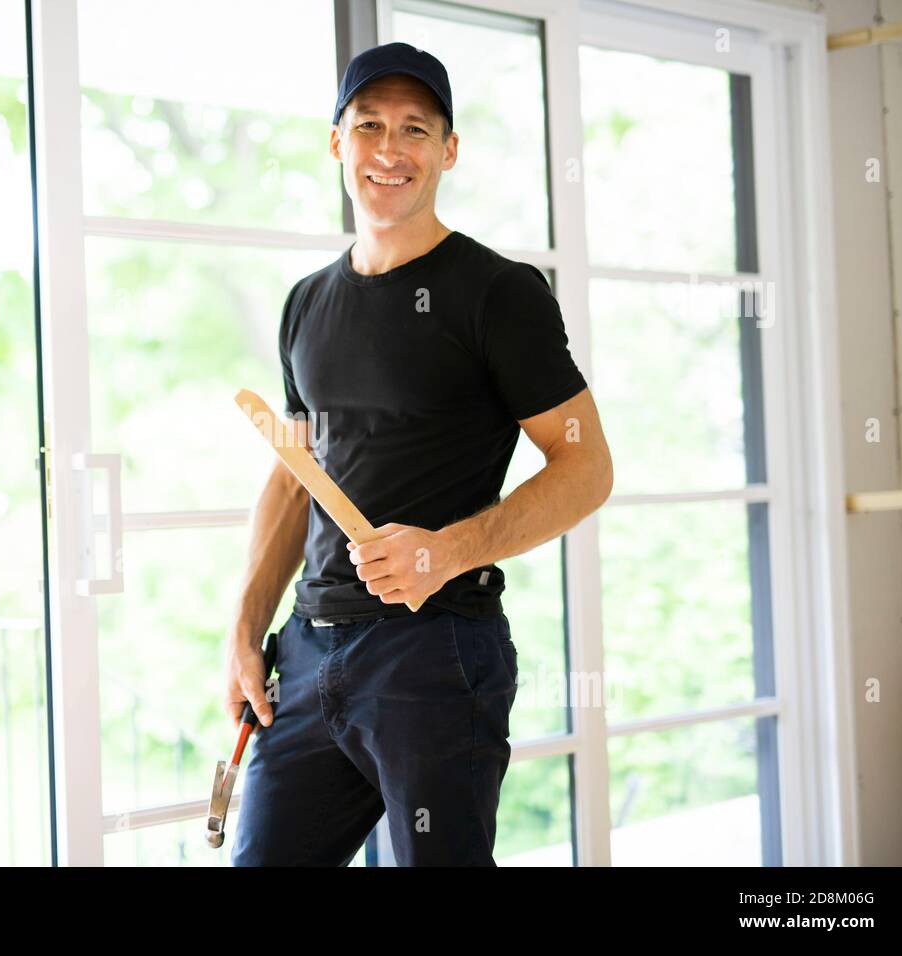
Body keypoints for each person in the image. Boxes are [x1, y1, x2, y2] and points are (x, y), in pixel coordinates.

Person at [224, 41, 613, 866]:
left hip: (432, 652)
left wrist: (447, 550)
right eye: (369, 125)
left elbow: (587, 469)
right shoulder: (309, 303)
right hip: (308, 647)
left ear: (448, 150)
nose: (390, 150)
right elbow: (296, 480)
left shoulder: (498, 294)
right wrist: (247, 626)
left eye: (415, 128)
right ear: (337, 142)